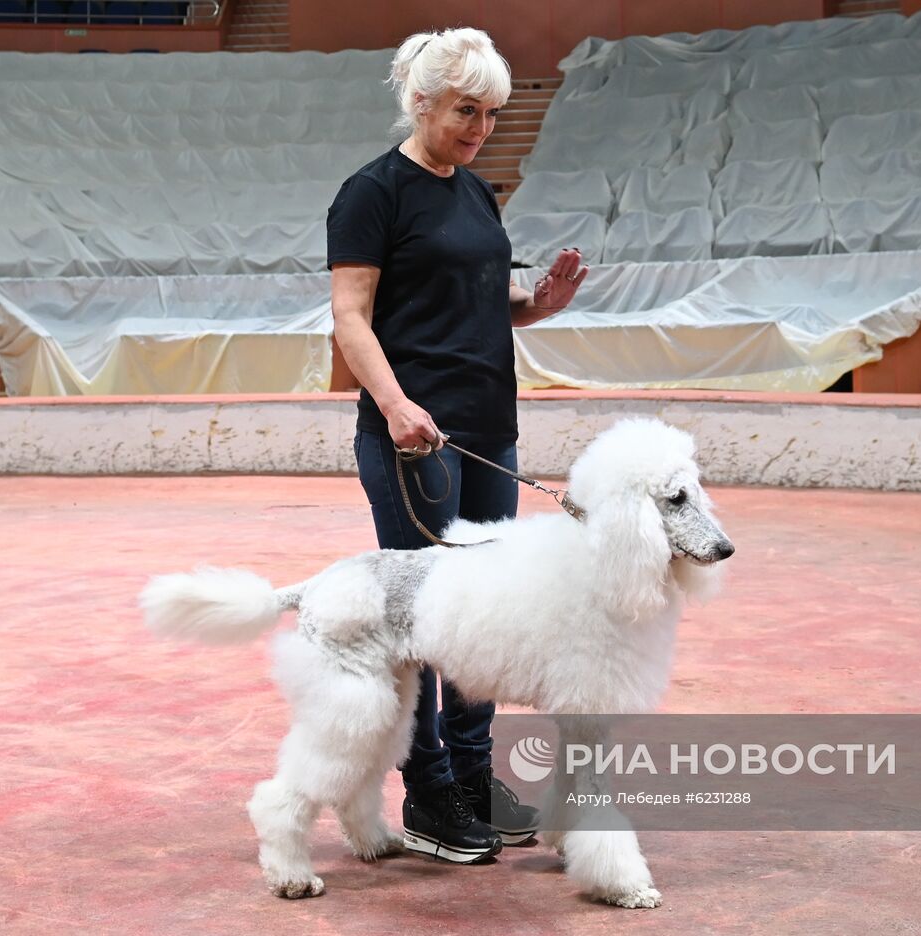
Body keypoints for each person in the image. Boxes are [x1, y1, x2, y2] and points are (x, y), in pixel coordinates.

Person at [326, 26, 588, 863]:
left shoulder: (473, 192)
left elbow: (466, 304)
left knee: (487, 614)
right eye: (466, 111)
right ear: (422, 101)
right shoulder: (372, 194)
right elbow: (350, 318)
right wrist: (396, 403)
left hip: (488, 433)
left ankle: (475, 775)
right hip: (414, 439)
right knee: (428, 620)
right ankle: (431, 792)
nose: (480, 128)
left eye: (491, 115)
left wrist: (532, 307)